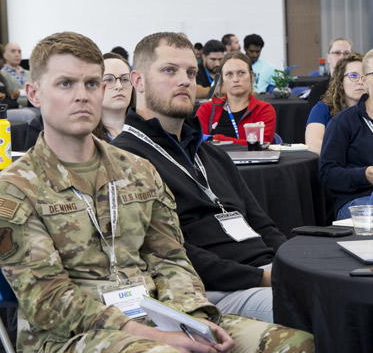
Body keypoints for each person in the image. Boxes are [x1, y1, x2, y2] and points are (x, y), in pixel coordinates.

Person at [0, 31, 318, 353]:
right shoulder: (13, 191)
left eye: (91, 83)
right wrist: (156, 338)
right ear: (33, 92)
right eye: (65, 84)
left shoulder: (138, 171)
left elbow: (172, 260)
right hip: (69, 346)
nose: (82, 96)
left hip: (163, 324)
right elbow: (51, 304)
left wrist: (194, 321)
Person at [113, 32, 283, 322]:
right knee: (325, 307)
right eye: (170, 70)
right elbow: (169, 253)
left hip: (266, 273)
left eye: (191, 72)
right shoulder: (124, 160)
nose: (185, 81)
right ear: (137, 81)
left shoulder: (211, 154)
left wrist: (292, 263)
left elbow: (262, 224)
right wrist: (263, 277)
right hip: (209, 290)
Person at [319, 47, 373, 219]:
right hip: (358, 202)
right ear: (365, 79)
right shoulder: (344, 122)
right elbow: (326, 174)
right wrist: (363, 175)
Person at [196, 52, 276, 145]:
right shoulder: (206, 109)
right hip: (213, 159)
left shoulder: (264, 110)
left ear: (251, 76)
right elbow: (199, 143)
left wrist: (217, 139)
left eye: (241, 73)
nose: (235, 79)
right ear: (222, 79)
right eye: (229, 74)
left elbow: (261, 144)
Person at [304, 52, 365, 154]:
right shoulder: (322, 109)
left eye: (365, 76)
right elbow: (313, 144)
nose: (360, 81)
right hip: (334, 166)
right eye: (353, 76)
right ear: (341, 81)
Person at [92, 52, 133, 141]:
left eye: (125, 79)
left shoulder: (148, 132)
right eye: (109, 79)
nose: (119, 86)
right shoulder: (86, 138)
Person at [305, 37, 353, 108]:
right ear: (328, 57)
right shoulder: (318, 90)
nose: (342, 57)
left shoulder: (359, 88)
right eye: (337, 53)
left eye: (346, 53)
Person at [0, 42, 30, 108]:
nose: (17, 54)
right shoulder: (1, 73)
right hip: (16, 106)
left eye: (19, 52)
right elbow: (10, 94)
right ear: (5, 55)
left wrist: (20, 92)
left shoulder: (29, 73)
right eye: (13, 51)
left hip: (33, 104)